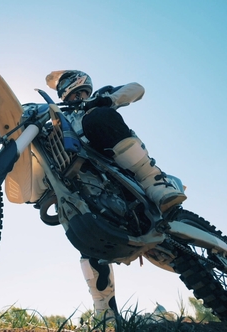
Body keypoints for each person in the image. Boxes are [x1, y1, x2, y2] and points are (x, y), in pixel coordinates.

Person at [45, 70, 187, 319]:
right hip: (91, 186)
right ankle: (105, 314)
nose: (68, 88)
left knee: (98, 118)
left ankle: (154, 181)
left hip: (118, 169)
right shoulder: (59, 118)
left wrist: (108, 100)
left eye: (70, 84)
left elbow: (137, 88)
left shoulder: (98, 99)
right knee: (86, 237)